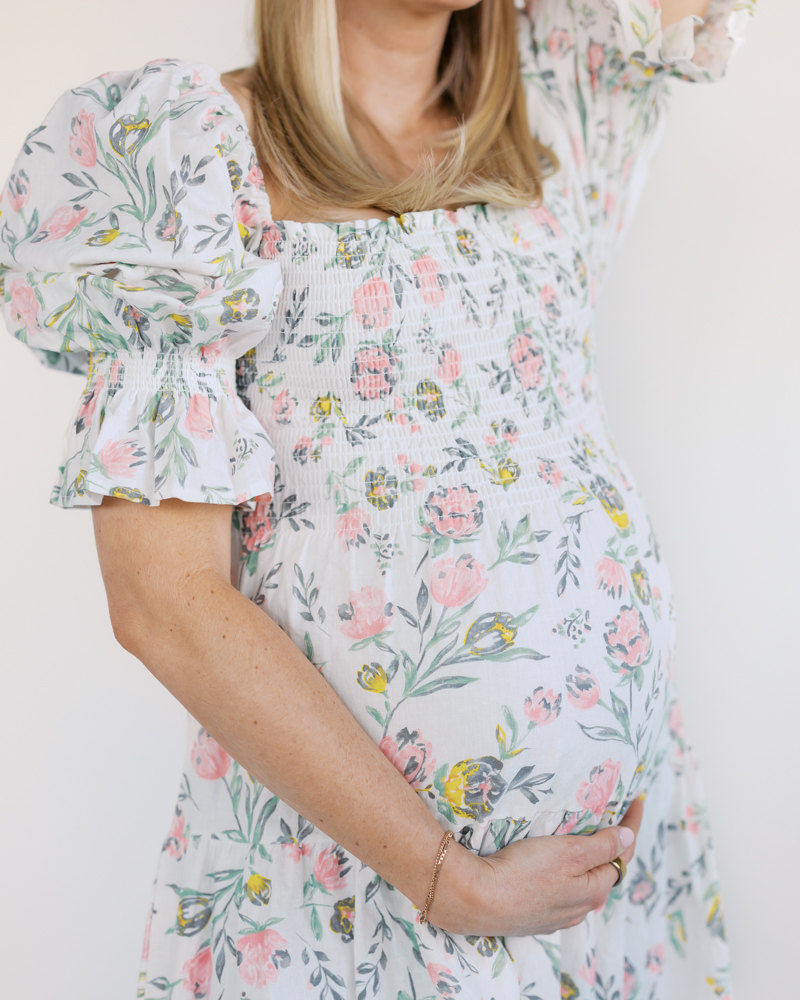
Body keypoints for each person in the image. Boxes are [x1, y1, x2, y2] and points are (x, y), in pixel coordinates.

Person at [0, 0, 755, 997]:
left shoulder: (562, 116)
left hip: (603, 907)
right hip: (348, 896)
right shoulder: (187, 162)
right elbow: (163, 601)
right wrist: (445, 877)